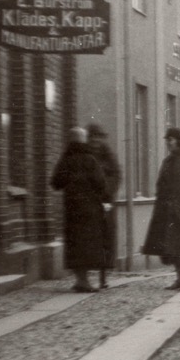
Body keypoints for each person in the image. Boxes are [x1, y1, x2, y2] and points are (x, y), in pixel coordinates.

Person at [140, 127, 180, 290]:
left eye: (171, 140)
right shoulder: (167, 162)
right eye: (167, 140)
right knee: (172, 248)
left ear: (179, 142)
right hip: (167, 213)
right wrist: (161, 205)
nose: (168, 143)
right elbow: (160, 185)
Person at [51, 126, 109, 293]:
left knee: (75, 243)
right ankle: (84, 281)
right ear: (84, 141)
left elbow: (55, 182)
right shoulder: (90, 159)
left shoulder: (66, 160)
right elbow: (101, 184)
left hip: (72, 209)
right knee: (88, 244)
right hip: (90, 209)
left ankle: (79, 279)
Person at [85, 123, 122, 289]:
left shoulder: (108, 155)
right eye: (93, 137)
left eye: (98, 137)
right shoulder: (85, 154)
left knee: (105, 240)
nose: (95, 140)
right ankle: (85, 277)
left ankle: (103, 277)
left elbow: (117, 174)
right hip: (88, 202)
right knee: (88, 240)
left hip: (105, 202)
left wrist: (108, 192)